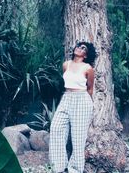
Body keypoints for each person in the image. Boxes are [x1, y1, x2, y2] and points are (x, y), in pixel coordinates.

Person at [49, 41, 97, 173]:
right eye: (78, 46)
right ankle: (58, 167)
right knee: (56, 128)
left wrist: (88, 106)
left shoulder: (88, 68)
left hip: (82, 99)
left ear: (86, 54)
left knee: (78, 137)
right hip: (66, 97)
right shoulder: (66, 65)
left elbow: (90, 89)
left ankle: (74, 169)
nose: (79, 48)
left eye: (83, 48)